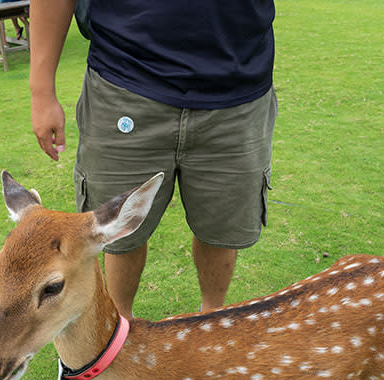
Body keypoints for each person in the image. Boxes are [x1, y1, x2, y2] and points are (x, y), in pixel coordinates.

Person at [30, 1, 278, 320]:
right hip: (124, 82)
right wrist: (41, 90)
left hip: (238, 93)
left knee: (221, 231)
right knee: (118, 234)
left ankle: (212, 324)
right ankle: (116, 331)